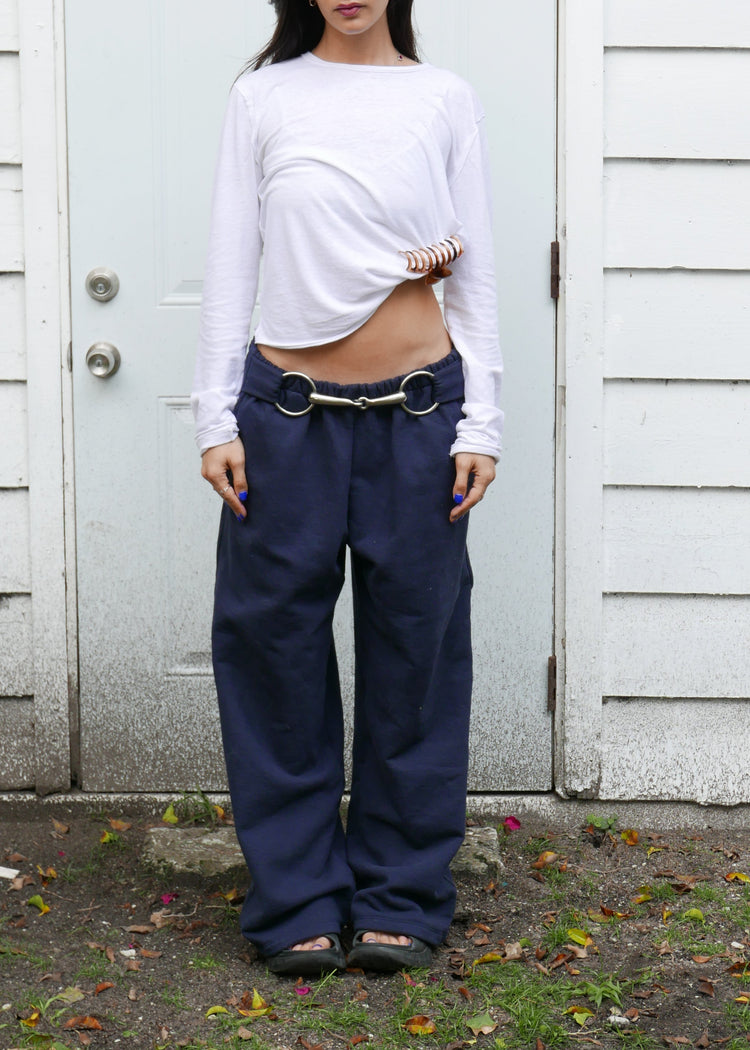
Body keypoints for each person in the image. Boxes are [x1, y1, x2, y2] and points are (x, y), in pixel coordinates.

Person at [191, 0, 503, 976]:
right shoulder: (264, 97)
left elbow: (472, 274)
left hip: (420, 414)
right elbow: (232, 262)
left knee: (418, 651)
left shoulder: (443, 98)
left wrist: (481, 420)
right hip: (284, 419)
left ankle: (401, 896)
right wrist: (214, 417)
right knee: (272, 649)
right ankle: (295, 900)